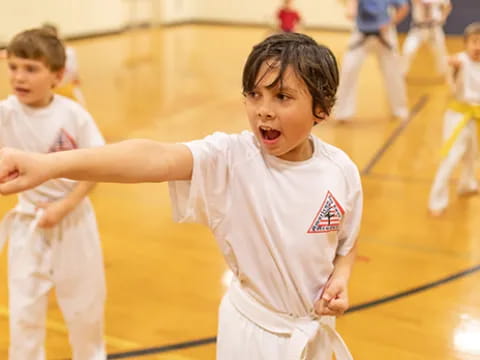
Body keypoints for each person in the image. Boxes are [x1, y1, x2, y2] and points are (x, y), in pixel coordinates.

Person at [0, 32, 363, 360]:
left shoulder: (340, 170)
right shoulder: (231, 159)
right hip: (253, 336)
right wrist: (48, 165)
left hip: (314, 334)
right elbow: (151, 157)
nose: (263, 109)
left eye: (282, 96)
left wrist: (341, 277)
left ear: (322, 108)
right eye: (254, 94)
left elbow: (345, 244)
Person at [0, 28, 106, 359]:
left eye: (31, 69)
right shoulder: (4, 114)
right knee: (23, 313)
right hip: (27, 224)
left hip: (73, 220)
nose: (19, 77)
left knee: (84, 308)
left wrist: (65, 205)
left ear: (57, 75)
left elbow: (97, 167)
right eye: (14, 67)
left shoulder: (73, 116)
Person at [428, 22, 480, 216]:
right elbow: (450, 84)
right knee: (451, 158)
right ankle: (436, 201)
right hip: (458, 116)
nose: (478, 47)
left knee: (472, 155)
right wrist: (455, 70)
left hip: (476, 118)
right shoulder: (460, 61)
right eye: (474, 42)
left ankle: (466, 184)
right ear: (465, 44)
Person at [334, 0, 410, 122]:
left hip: (384, 34)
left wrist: (390, 23)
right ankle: (342, 112)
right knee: (349, 69)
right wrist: (351, 8)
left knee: (394, 73)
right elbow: (351, 10)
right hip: (361, 33)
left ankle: (399, 109)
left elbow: (404, 7)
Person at [402, 0, 452, 76]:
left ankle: (445, 75)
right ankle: (402, 72)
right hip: (418, 28)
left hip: (434, 28)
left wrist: (443, 17)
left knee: (441, 53)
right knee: (408, 50)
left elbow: (447, 5)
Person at [42, 23, 87, 106]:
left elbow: (74, 71)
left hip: (68, 89)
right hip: (52, 91)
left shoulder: (69, 52)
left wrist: (76, 78)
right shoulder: (41, 56)